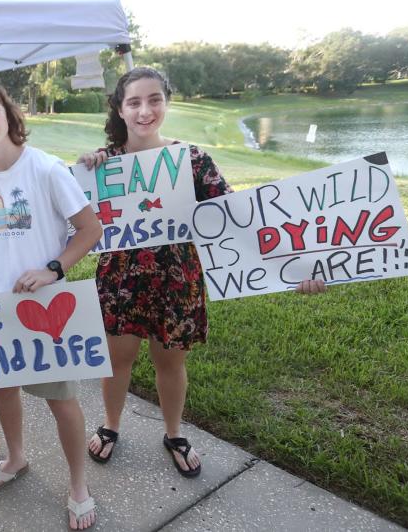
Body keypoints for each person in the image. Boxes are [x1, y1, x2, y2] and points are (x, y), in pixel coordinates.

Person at [79, 67, 327, 479]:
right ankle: (111, 425)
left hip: (178, 281)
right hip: (120, 281)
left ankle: (174, 434)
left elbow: (241, 220)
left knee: (171, 364)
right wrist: (89, 170)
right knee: (117, 361)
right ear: (120, 110)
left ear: (167, 102)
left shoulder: (192, 160)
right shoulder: (104, 166)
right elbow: (76, 221)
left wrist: (293, 269)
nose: (145, 110)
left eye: (154, 99)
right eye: (134, 102)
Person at [0, 79, 104, 530]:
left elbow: (90, 230)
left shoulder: (47, 169)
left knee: (61, 400)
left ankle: (77, 485)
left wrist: (53, 268)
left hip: (45, 309)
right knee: (4, 389)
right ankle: (15, 457)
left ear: (9, 114)